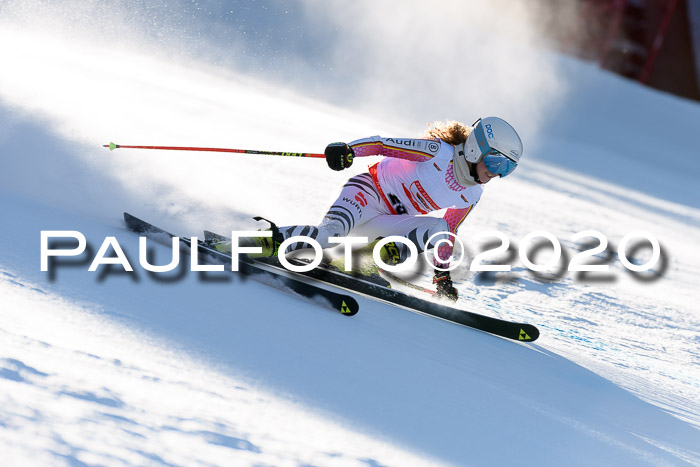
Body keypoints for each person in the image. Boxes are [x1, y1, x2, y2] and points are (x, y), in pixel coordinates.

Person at [220, 117, 523, 302]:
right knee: (327, 237)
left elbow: (449, 232)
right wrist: (348, 150)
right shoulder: (437, 153)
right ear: (475, 149)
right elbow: (381, 144)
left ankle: (361, 262)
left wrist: (441, 276)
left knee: (438, 229)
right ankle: (259, 243)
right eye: (496, 163)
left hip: (389, 220)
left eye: (507, 169)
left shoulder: (472, 193)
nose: (497, 173)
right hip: (366, 194)